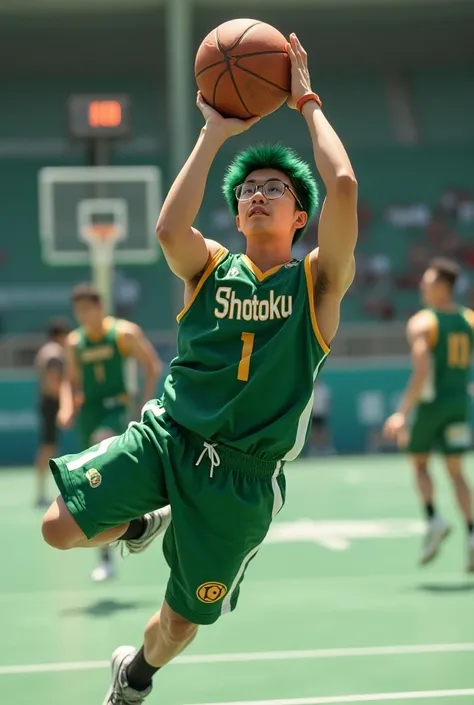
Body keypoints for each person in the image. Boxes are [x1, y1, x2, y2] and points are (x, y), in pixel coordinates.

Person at [41, 34, 358, 704]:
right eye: (247, 190)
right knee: (57, 527)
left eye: (274, 189)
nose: (258, 195)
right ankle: (143, 522)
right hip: (170, 434)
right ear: (236, 210)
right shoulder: (209, 265)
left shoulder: (317, 286)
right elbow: (166, 229)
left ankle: (135, 676)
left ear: (301, 215)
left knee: (181, 622)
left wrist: (306, 102)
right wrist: (214, 131)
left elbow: (346, 185)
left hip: (242, 477)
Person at [57, 282, 163, 582]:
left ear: (100, 308)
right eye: (78, 311)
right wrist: (67, 407)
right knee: (93, 484)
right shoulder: (75, 343)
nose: (82, 315)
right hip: (89, 412)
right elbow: (70, 381)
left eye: (87, 309)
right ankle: (108, 551)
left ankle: (139, 520)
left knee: (101, 450)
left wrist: (145, 403)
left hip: (115, 409)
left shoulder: (124, 333)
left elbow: (152, 365)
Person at [384, 258, 474, 571]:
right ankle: (472, 534)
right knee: (457, 471)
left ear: (443, 287)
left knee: (419, 463)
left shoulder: (424, 322)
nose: (423, 285)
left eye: (428, 281)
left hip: (432, 405)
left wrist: (401, 413)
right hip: (459, 406)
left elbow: (422, 372)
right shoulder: (469, 319)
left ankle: (433, 517)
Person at [34, 317, 71, 507]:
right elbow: (53, 382)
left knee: (49, 447)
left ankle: (41, 491)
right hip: (52, 402)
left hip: (46, 401)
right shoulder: (55, 353)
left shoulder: (45, 351)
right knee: (48, 447)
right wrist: (68, 399)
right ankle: (41, 492)